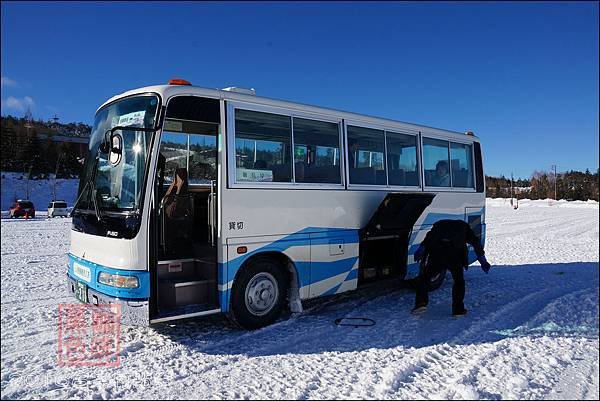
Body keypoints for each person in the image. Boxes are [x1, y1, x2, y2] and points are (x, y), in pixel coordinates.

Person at [411, 219, 491, 316]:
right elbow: (475, 242)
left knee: (424, 278)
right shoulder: (464, 227)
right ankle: (458, 310)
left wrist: (420, 250)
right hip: (455, 257)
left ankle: (421, 303)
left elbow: (428, 240)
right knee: (459, 281)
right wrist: (483, 261)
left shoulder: (438, 225)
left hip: (437, 256)